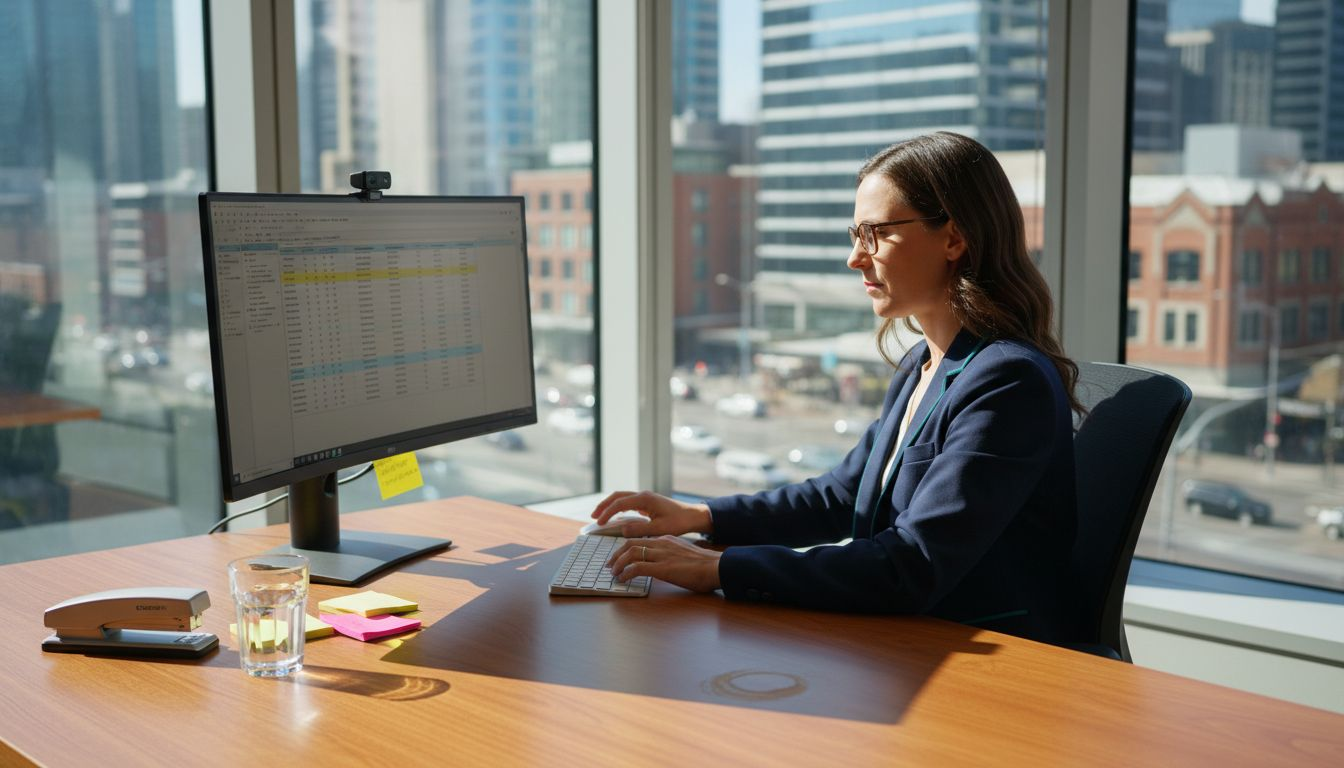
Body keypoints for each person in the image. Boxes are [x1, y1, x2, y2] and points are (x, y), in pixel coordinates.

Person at [593, 131, 1082, 645]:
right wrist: (703, 516)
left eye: (876, 234)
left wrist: (717, 570)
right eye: (855, 233)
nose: (855, 257)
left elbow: (910, 565)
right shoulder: (923, 363)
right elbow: (843, 495)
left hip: (981, 658)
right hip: (904, 639)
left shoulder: (1007, 381)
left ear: (954, 239)